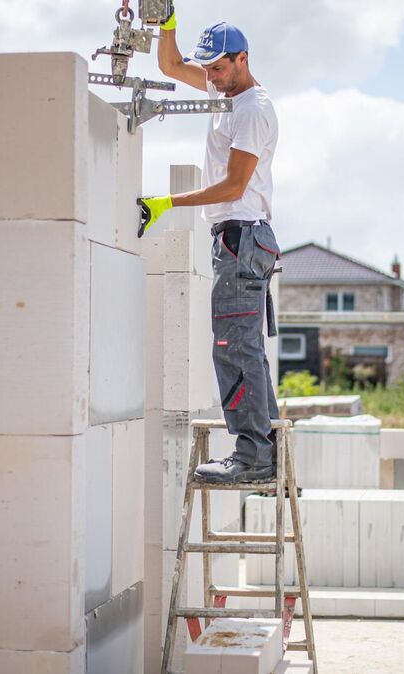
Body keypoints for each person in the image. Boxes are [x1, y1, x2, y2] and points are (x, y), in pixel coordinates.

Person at [137, 13, 281, 483]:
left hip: (242, 234)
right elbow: (170, 65)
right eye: (210, 68)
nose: (211, 77)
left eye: (219, 68)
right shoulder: (225, 93)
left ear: (243, 60)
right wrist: (167, 20)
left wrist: (169, 202)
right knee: (244, 349)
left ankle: (252, 458)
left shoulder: (252, 108)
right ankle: (265, 451)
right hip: (239, 238)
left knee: (233, 347)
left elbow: (234, 185)